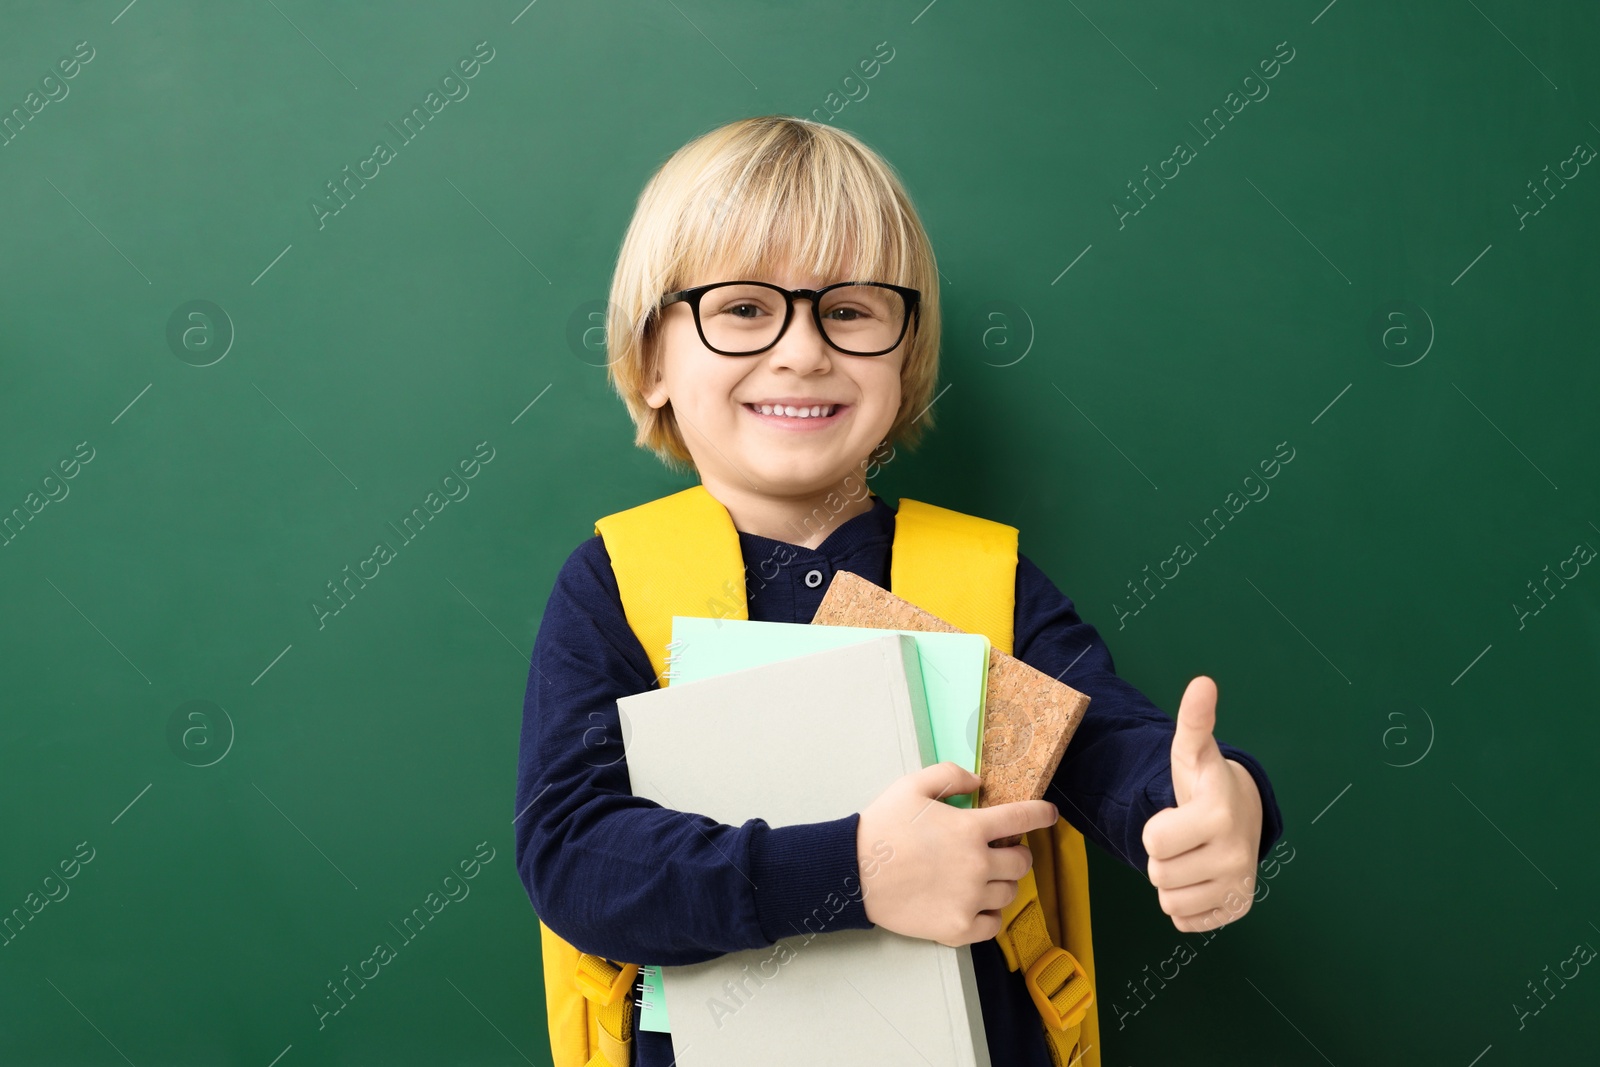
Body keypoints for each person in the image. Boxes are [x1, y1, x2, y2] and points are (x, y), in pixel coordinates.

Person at [514, 114, 1284, 1066]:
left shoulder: (978, 584)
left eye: (849, 309)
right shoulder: (615, 589)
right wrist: (855, 873)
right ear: (653, 358)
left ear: (906, 352)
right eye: (745, 308)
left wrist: (1217, 804)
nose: (802, 350)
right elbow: (577, 858)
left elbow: (1106, 753)